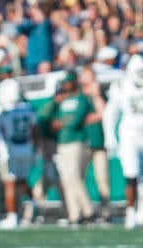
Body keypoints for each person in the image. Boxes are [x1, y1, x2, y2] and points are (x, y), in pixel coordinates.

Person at [49, 70, 99, 224]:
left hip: (77, 141)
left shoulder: (82, 99)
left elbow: (75, 120)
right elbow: (52, 120)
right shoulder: (62, 100)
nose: (67, 85)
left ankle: (88, 210)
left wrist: (62, 123)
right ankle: (74, 214)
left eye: (69, 82)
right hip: (63, 143)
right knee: (66, 179)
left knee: (75, 176)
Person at [0, 79, 36, 226]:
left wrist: (0, 152)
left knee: (10, 183)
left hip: (10, 150)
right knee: (22, 181)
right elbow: (35, 130)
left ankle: (12, 216)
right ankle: (34, 204)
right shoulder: (28, 108)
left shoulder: (1, 110)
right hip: (26, 148)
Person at [109, 54, 143, 228]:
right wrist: (110, 138)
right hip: (129, 133)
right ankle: (131, 211)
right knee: (131, 174)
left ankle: (141, 211)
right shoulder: (121, 85)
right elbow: (111, 112)